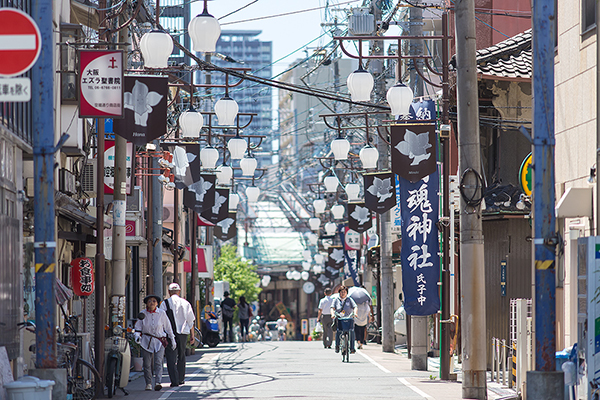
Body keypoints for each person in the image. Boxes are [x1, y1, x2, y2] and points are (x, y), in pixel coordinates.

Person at [135, 294, 176, 391]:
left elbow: (168, 327)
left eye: (154, 301)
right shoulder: (143, 314)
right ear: (146, 304)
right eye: (149, 301)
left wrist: (172, 339)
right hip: (146, 341)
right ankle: (148, 383)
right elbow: (137, 328)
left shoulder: (162, 313)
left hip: (159, 341)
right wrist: (137, 336)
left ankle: (158, 382)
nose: (152, 303)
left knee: (158, 362)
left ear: (157, 303)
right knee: (147, 364)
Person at [160, 283, 195, 387]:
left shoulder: (164, 303)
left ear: (169, 292)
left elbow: (161, 319)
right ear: (179, 291)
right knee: (181, 355)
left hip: (169, 333)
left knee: (171, 357)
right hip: (183, 333)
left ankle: (174, 381)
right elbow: (191, 320)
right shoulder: (185, 303)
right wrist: (192, 335)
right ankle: (181, 379)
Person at [330, 285, 358, 354]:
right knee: (339, 331)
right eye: (341, 292)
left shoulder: (350, 299)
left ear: (346, 293)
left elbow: (355, 307)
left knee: (351, 331)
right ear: (339, 292)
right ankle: (337, 345)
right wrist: (333, 314)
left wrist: (355, 313)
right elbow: (332, 308)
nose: (343, 293)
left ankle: (352, 348)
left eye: (344, 292)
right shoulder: (336, 300)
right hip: (340, 318)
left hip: (349, 318)